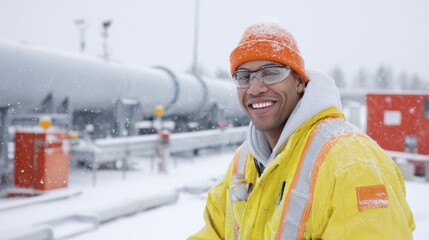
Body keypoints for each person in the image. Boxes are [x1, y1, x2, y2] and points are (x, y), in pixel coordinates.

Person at [188, 21, 415, 240]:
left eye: (270, 73)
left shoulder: (351, 162)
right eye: (244, 77)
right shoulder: (244, 161)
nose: (255, 88)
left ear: (298, 81)